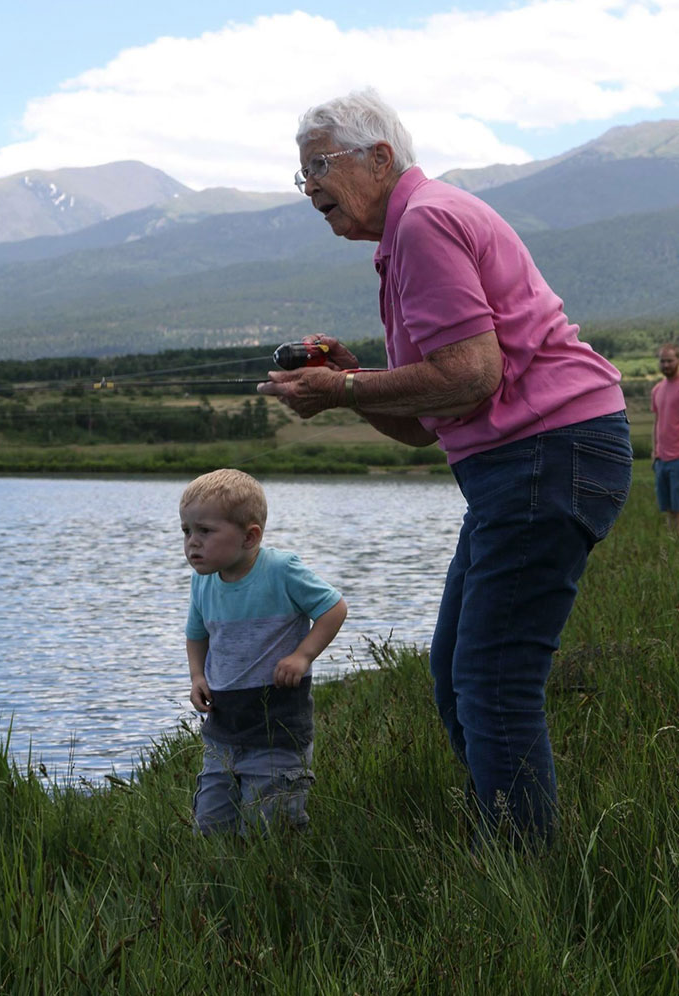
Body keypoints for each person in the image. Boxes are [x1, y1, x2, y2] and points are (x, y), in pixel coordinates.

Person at [258, 88, 632, 847]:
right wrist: (352, 386)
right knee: (456, 672)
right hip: (527, 462)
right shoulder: (405, 240)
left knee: (492, 682)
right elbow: (427, 428)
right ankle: (502, 839)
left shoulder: (426, 222)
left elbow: (472, 374)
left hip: (545, 454)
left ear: (380, 158)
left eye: (319, 167)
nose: (309, 189)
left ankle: (521, 875)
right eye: (302, 175)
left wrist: (347, 387)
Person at [180, 468, 347, 835]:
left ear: (250, 536)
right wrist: (197, 675)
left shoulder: (280, 570)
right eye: (186, 531)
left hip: (278, 728)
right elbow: (195, 635)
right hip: (223, 729)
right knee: (211, 825)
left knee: (269, 827)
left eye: (205, 531)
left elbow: (333, 608)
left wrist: (302, 655)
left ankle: (278, 882)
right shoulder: (202, 582)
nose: (192, 542)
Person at [651, 343, 679, 532]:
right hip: (661, 459)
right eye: (663, 361)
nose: (666, 365)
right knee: (669, 509)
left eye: (670, 360)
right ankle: (672, 546)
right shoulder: (657, 390)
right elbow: (657, 421)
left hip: (678, 458)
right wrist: (655, 451)